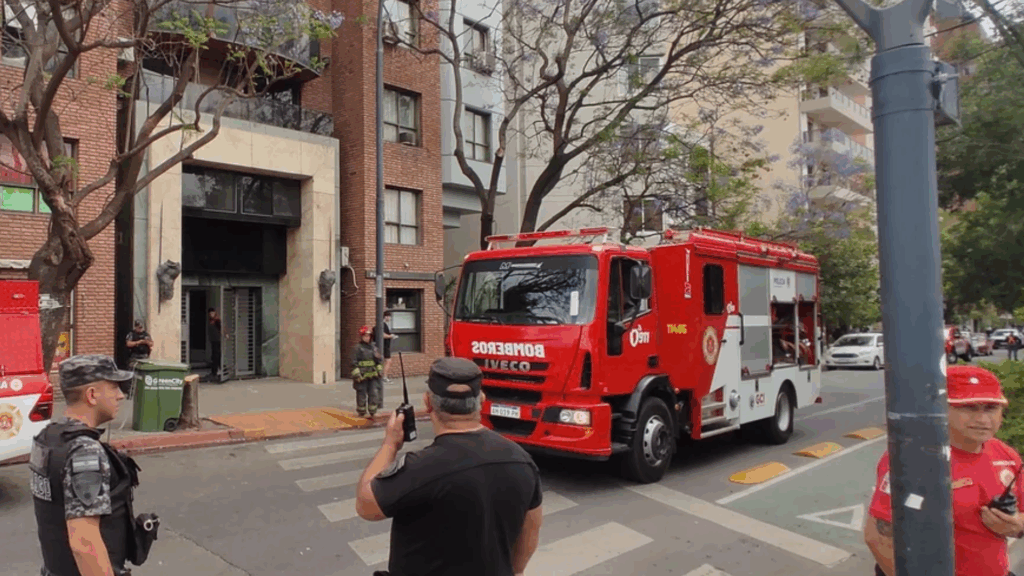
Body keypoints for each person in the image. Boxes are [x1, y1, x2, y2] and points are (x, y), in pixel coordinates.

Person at [355, 357, 544, 576]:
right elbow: (531, 530)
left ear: (428, 403)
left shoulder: (421, 469)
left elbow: (365, 505)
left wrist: (390, 444)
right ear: (481, 399)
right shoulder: (522, 461)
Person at [864, 365, 1024, 576]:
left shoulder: (1005, 454)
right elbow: (879, 537)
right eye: (968, 408)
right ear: (941, 408)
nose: (983, 420)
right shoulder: (914, 458)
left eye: (990, 408)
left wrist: (1017, 527)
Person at [29, 355, 149, 576]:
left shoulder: (48, 438)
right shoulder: (84, 450)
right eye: (113, 387)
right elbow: (84, 543)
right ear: (91, 395)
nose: (121, 395)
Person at [351, 325, 384, 417]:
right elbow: (353, 363)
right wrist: (357, 375)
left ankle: (373, 412)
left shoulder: (374, 348)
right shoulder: (357, 348)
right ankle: (361, 412)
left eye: (369, 336)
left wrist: (380, 371)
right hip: (362, 376)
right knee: (361, 394)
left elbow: (378, 362)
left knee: (374, 393)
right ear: (362, 337)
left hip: (373, 375)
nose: (367, 338)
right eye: (365, 336)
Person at [372, 312, 399, 382]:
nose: (390, 318)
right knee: (388, 361)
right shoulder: (381, 325)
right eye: (389, 317)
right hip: (383, 346)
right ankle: (384, 377)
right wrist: (391, 336)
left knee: (381, 361)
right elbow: (382, 335)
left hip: (383, 346)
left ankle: (380, 376)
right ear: (386, 317)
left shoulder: (381, 325)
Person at [207, 308, 227, 383]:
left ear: (215, 313)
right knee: (215, 356)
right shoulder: (211, 320)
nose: (211, 315)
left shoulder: (217, 320)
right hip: (213, 340)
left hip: (217, 341)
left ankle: (217, 371)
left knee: (216, 356)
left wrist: (225, 334)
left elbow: (221, 328)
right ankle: (218, 370)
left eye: (212, 313)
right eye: (210, 314)